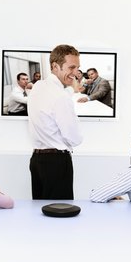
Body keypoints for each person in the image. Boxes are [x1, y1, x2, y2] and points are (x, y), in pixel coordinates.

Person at [28, 44, 83, 200]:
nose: (76, 73)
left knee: (41, 214)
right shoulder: (61, 97)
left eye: (77, 68)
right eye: (71, 67)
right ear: (55, 66)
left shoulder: (38, 87)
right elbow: (74, 138)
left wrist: (72, 88)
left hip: (37, 161)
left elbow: (61, 93)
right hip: (57, 163)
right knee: (60, 217)